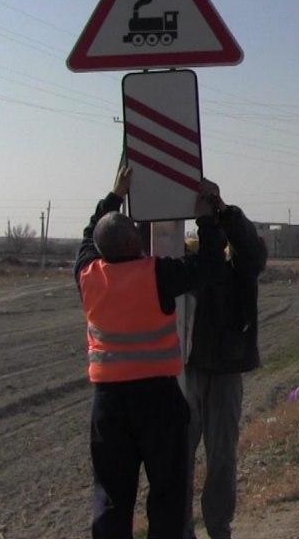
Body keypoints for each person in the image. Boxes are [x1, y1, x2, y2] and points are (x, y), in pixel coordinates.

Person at [76, 163, 226, 539]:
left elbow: (88, 238)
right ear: (135, 243)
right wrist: (207, 217)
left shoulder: (88, 277)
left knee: (112, 499)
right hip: (157, 401)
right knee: (168, 497)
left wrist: (114, 196)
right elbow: (211, 265)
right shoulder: (156, 275)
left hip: (109, 405)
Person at [183, 180, 268, 539]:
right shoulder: (188, 264)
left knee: (220, 457)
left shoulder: (239, 267)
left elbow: (253, 252)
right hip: (184, 371)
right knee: (179, 457)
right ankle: (182, 528)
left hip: (223, 370)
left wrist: (223, 211)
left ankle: (218, 527)